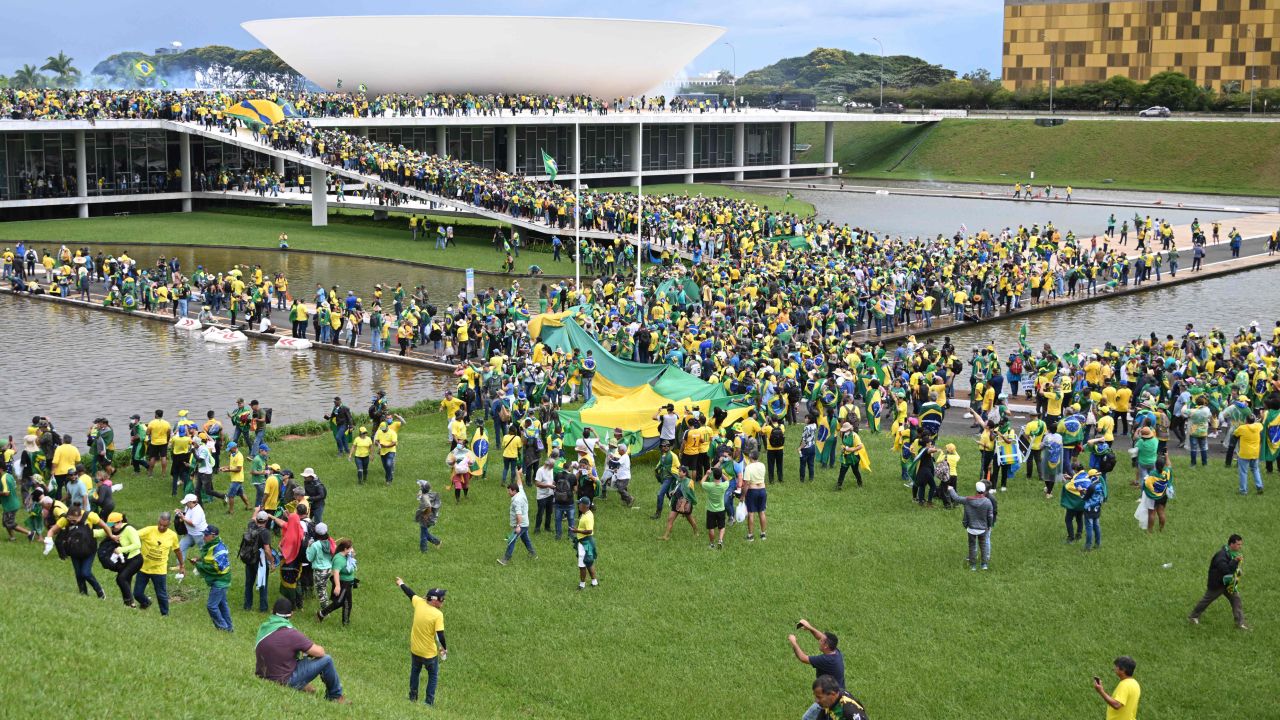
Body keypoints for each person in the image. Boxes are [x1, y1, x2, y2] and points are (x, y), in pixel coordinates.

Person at [254, 598, 348, 703]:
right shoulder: (291, 633)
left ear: (272, 611)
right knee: (327, 660)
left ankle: (302, 686)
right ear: (292, 614)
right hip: (284, 680)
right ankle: (335, 696)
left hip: (263, 676)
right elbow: (320, 652)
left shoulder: (263, 628)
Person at [44, 501, 113, 598]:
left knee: (86, 573)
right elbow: (52, 530)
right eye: (70, 520)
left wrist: (111, 536)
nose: (71, 522)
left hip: (89, 549)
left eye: (74, 520)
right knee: (78, 574)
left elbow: (105, 526)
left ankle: (99, 590)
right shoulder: (65, 519)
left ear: (80, 516)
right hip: (74, 550)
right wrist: (48, 540)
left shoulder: (91, 516)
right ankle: (83, 593)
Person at [395, 579, 446, 706]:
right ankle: (428, 702)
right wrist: (444, 649)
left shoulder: (419, 603)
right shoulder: (437, 615)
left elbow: (410, 593)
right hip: (429, 653)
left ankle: (412, 697)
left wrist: (401, 583)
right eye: (441, 599)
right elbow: (440, 636)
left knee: (415, 672)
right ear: (434, 600)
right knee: (433, 675)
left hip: (415, 650)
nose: (443, 601)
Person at [1188, 533, 1249, 630]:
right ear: (1231, 544)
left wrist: (1238, 571)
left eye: (1241, 544)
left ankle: (1240, 623)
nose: (1240, 547)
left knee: (1236, 600)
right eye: (1238, 544)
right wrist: (1235, 562)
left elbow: (1232, 570)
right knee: (1207, 600)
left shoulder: (1232, 554)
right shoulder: (1221, 556)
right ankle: (1193, 616)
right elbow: (1226, 570)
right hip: (1218, 584)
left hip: (1229, 583)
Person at [790, 619, 846, 720]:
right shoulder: (835, 652)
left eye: (821, 641)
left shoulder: (827, 660)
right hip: (838, 694)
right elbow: (821, 636)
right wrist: (809, 628)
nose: (819, 641)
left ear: (826, 646)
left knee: (807, 718)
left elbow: (803, 658)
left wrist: (794, 642)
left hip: (829, 696)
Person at [134, 512, 183, 615]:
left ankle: (165, 615)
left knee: (161, 594)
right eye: (160, 524)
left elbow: (177, 550)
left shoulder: (172, 535)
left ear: (169, 524)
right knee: (137, 593)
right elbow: (134, 534)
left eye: (164, 526)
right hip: (143, 567)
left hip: (159, 570)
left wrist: (181, 565)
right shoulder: (149, 530)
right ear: (158, 521)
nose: (161, 527)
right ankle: (146, 603)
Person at [191, 524, 233, 632]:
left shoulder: (219, 549)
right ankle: (229, 628)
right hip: (219, 581)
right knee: (222, 605)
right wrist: (199, 560)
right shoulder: (211, 545)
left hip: (220, 581)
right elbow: (209, 558)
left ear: (213, 536)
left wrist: (199, 565)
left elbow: (218, 568)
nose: (204, 537)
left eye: (206, 535)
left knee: (212, 606)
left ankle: (223, 628)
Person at [947, 481, 995, 571]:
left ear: (976, 490)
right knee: (983, 546)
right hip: (983, 529)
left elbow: (956, 498)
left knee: (972, 546)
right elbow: (990, 516)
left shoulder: (968, 500)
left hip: (971, 528)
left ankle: (973, 566)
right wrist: (989, 525)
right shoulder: (988, 502)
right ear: (984, 490)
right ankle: (984, 565)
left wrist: (951, 489)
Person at [497, 469, 536, 565]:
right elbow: (519, 483)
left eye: (509, 491)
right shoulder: (520, 492)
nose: (508, 492)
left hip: (521, 524)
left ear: (514, 491)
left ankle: (505, 559)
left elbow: (519, 515)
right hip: (525, 523)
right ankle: (533, 554)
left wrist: (518, 526)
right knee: (525, 539)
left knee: (511, 540)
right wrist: (518, 473)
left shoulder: (516, 501)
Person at [105, 512, 142, 606]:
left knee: (121, 578)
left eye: (113, 526)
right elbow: (102, 532)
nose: (111, 528)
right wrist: (89, 532)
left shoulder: (129, 529)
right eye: (110, 526)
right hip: (126, 560)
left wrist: (121, 549)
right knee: (125, 580)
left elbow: (138, 544)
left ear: (119, 522)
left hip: (136, 559)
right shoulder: (114, 529)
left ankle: (131, 603)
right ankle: (129, 604)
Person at [318, 538, 357, 625]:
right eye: (350, 548)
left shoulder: (347, 556)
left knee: (347, 603)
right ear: (345, 549)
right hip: (343, 584)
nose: (352, 549)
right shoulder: (339, 559)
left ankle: (345, 622)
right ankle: (321, 614)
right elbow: (336, 573)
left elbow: (350, 564)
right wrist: (338, 586)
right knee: (339, 602)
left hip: (348, 583)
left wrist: (352, 555)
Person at [241, 511, 275, 612]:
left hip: (249, 559)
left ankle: (247, 606)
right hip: (260, 561)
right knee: (262, 583)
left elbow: (253, 518)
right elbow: (267, 549)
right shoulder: (265, 532)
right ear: (266, 520)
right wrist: (272, 562)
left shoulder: (250, 526)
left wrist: (257, 510)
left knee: (249, 583)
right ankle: (263, 608)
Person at [1092, 656, 1140, 720]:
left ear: (1123, 670)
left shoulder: (1125, 685)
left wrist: (1101, 691)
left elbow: (1117, 705)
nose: (1114, 668)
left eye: (1116, 666)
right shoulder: (1135, 683)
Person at [659, 464, 698, 541]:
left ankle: (696, 532)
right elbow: (679, 488)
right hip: (676, 502)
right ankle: (665, 536)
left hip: (684, 504)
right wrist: (674, 491)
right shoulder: (680, 480)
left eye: (680, 471)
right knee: (670, 519)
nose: (678, 472)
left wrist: (682, 506)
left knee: (690, 519)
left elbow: (686, 495)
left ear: (684, 473)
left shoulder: (688, 482)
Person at [568, 496, 599, 589]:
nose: (578, 505)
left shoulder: (587, 517)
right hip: (585, 541)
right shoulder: (587, 513)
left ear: (585, 506)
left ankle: (582, 584)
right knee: (589, 562)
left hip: (585, 543)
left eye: (580, 504)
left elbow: (589, 530)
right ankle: (594, 582)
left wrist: (577, 531)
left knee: (582, 565)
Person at [307, 522, 337, 610]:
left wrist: (309, 546)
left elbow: (309, 558)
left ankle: (325, 612)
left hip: (319, 571)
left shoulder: (315, 545)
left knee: (321, 591)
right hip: (329, 569)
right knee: (323, 588)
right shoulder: (330, 541)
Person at [700, 466, 731, 549]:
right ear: (720, 476)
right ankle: (720, 540)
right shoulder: (723, 486)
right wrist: (722, 473)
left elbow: (702, 482)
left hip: (711, 510)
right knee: (722, 526)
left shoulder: (709, 486)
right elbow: (728, 480)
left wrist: (706, 474)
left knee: (711, 528)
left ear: (713, 476)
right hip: (721, 509)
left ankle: (712, 544)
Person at [742, 450, 768, 541]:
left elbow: (746, 484)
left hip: (752, 491)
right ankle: (763, 534)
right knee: (762, 512)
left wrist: (742, 496)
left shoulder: (748, 467)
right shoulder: (762, 465)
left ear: (751, 457)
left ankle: (750, 535)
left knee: (751, 513)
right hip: (762, 490)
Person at [416, 480, 443, 551]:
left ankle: (424, 550)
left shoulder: (425, 497)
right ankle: (437, 542)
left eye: (421, 487)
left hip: (426, 517)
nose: (420, 488)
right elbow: (419, 495)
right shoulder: (426, 493)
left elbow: (429, 507)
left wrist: (426, 515)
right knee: (424, 532)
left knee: (423, 535)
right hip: (425, 515)